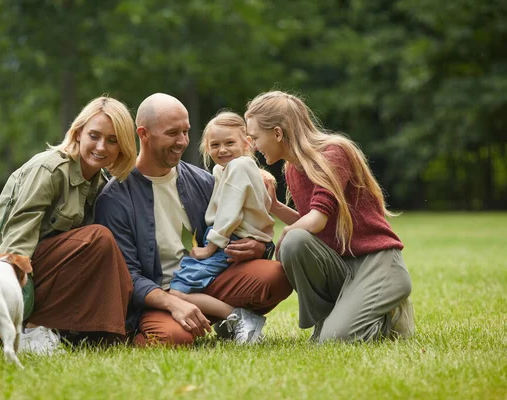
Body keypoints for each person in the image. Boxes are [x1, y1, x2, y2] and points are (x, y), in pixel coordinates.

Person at [95, 93, 292, 346]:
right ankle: (214, 319)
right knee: (174, 338)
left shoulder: (202, 181)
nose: (182, 141)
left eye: (186, 132)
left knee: (276, 276)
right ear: (143, 133)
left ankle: (226, 319)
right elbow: (128, 275)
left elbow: (237, 224)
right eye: (172, 133)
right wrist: (171, 303)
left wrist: (259, 247)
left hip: (206, 280)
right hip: (158, 296)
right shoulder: (116, 197)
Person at [244, 90, 415, 343]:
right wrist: (276, 207)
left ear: (278, 133)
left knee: (335, 340)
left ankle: (389, 313)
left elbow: (316, 221)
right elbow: (312, 225)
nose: (253, 145)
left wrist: (285, 234)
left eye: (255, 137)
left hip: (376, 262)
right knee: (296, 243)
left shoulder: (333, 153)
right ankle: (329, 320)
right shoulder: (292, 168)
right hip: (341, 265)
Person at [0, 95, 136, 353]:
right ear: (78, 133)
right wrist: (8, 304)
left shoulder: (100, 182)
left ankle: (99, 333)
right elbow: (17, 238)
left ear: (122, 147)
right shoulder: (51, 168)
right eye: (94, 136)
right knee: (98, 238)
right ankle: (28, 330)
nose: (102, 147)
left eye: (112, 140)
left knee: (111, 253)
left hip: (41, 260)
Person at [168, 111, 276, 344]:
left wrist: (210, 247)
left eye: (230, 143)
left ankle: (239, 319)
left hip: (230, 239)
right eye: (215, 145)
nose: (222, 150)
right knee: (185, 284)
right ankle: (230, 321)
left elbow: (230, 212)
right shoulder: (222, 170)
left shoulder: (239, 166)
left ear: (247, 143)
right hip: (227, 238)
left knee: (177, 291)